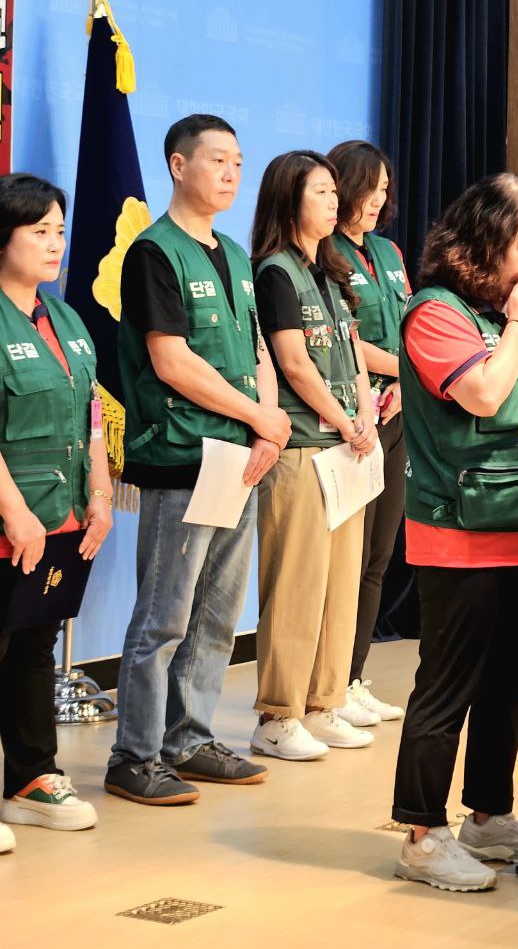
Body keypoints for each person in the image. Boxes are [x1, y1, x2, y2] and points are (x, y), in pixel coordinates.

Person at [391, 173, 518, 893]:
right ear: (482, 242)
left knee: (508, 685)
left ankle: (488, 816)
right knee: (448, 686)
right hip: (461, 532)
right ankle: (420, 831)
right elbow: (483, 392)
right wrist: (517, 322)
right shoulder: (435, 314)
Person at [105, 115, 291, 806]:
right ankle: (134, 755)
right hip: (184, 456)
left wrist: (270, 428)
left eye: (239, 162)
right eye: (218, 160)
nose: (232, 173)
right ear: (179, 166)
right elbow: (171, 359)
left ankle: (189, 738)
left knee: (217, 612)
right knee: (165, 616)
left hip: (240, 456)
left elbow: (260, 351)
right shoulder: (155, 252)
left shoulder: (236, 257)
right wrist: (256, 418)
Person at [249, 150, 378, 761]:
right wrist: (341, 419)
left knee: (340, 583)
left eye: (334, 192)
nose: (334, 202)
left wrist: (366, 416)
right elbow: (294, 363)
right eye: (322, 192)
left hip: (346, 445)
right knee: (297, 583)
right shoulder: (275, 271)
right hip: (303, 446)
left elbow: (351, 352)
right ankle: (278, 714)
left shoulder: (331, 274)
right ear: (289, 199)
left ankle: (325, 701)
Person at [0, 175, 113, 851]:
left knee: (35, 646)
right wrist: (13, 512)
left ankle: (32, 779)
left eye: (60, 231)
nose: (54, 244)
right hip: (14, 518)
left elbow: (93, 413)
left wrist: (99, 495)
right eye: (38, 231)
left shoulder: (65, 317)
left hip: (61, 515)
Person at [329, 140, 410, 727]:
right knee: (347, 559)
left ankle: (355, 675)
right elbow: (346, 337)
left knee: (380, 554)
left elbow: (411, 327)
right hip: (349, 418)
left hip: (399, 412)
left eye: (385, 189)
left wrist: (408, 381)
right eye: (370, 188)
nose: (379, 200)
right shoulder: (324, 255)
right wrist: (399, 370)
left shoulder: (388, 251)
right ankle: (328, 679)